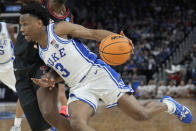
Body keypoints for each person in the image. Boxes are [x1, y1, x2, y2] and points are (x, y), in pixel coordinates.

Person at [20, 3, 193, 131]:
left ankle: (168, 105)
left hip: (97, 74)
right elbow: (60, 73)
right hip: (79, 87)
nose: (22, 29)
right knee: (77, 123)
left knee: (141, 114)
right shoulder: (42, 52)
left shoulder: (58, 29)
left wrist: (118, 38)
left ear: (38, 23)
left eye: (25, 25)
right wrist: (50, 78)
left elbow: (93, 34)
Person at [12, 0, 73, 130]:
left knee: (48, 113)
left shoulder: (68, 17)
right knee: (37, 125)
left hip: (42, 63)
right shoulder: (40, 3)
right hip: (21, 66)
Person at [0, 22, 24, 131]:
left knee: (23, 91)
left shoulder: (7, 27)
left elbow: (16, 45)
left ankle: (16, 125)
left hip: (8, 66)